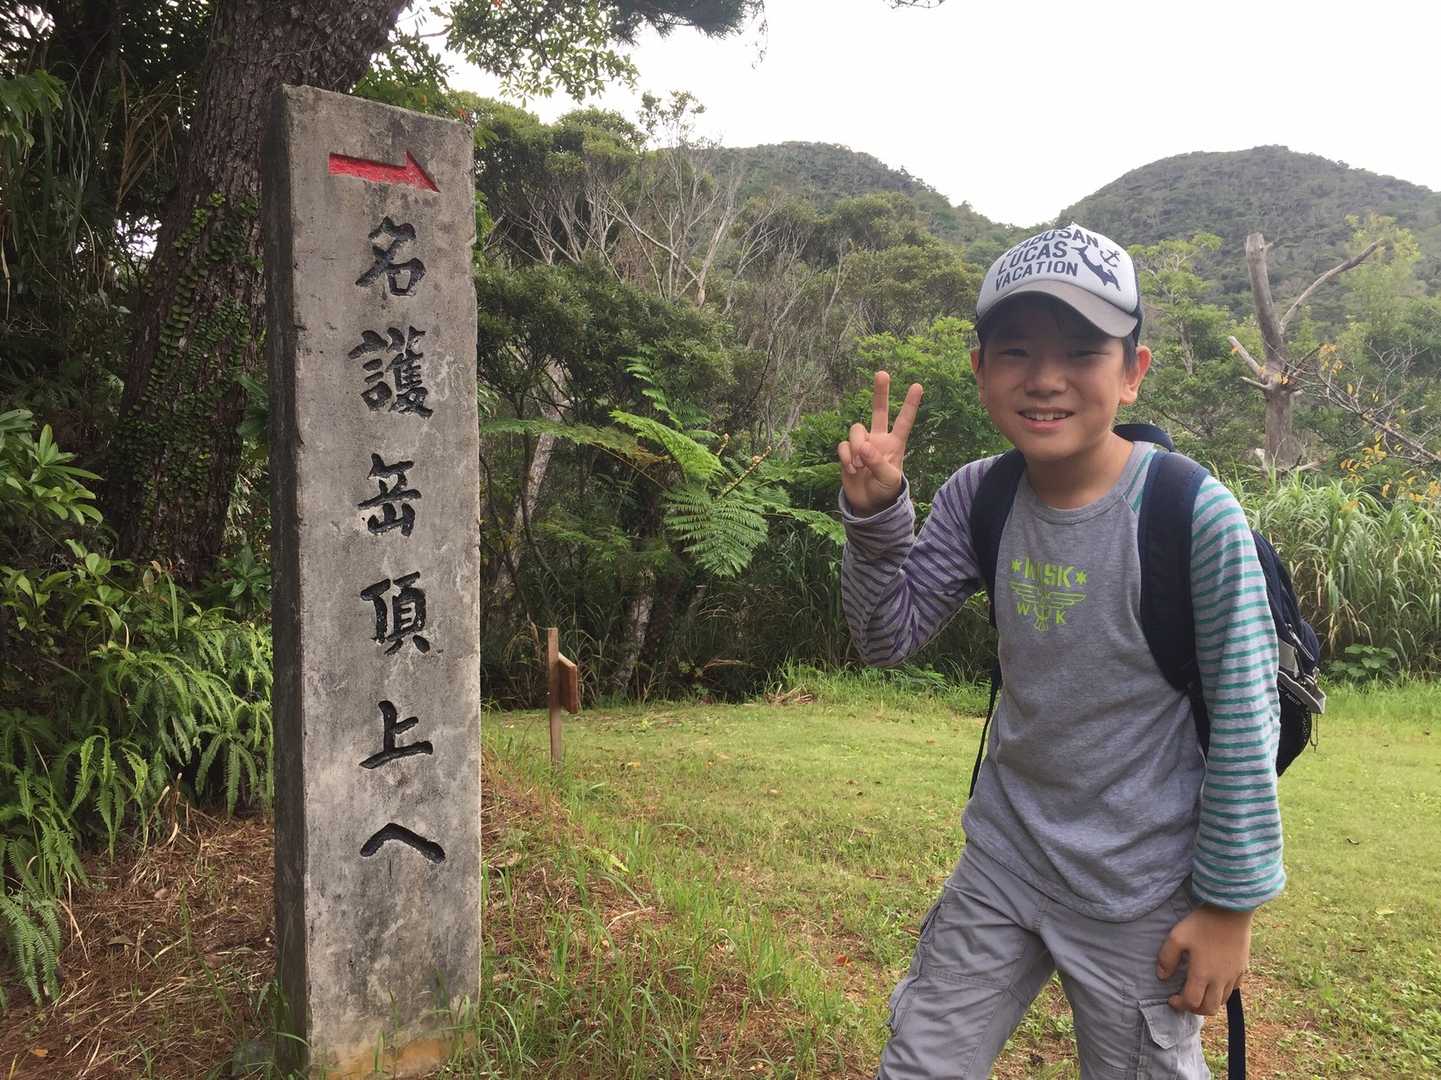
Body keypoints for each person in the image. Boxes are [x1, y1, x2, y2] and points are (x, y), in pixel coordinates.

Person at [837, 223, 1283, 1079]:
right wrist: (874, 516)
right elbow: (886, 636)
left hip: (1137, 890)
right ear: (980, 370)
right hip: (1001, 860)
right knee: (918, 1066)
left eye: (1081, 350)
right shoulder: (981, 494)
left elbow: (1243, 716)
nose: (1044, 378)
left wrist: (1229, 908)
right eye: (1015, 351)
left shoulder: (1193, 514)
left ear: (1132, 371)